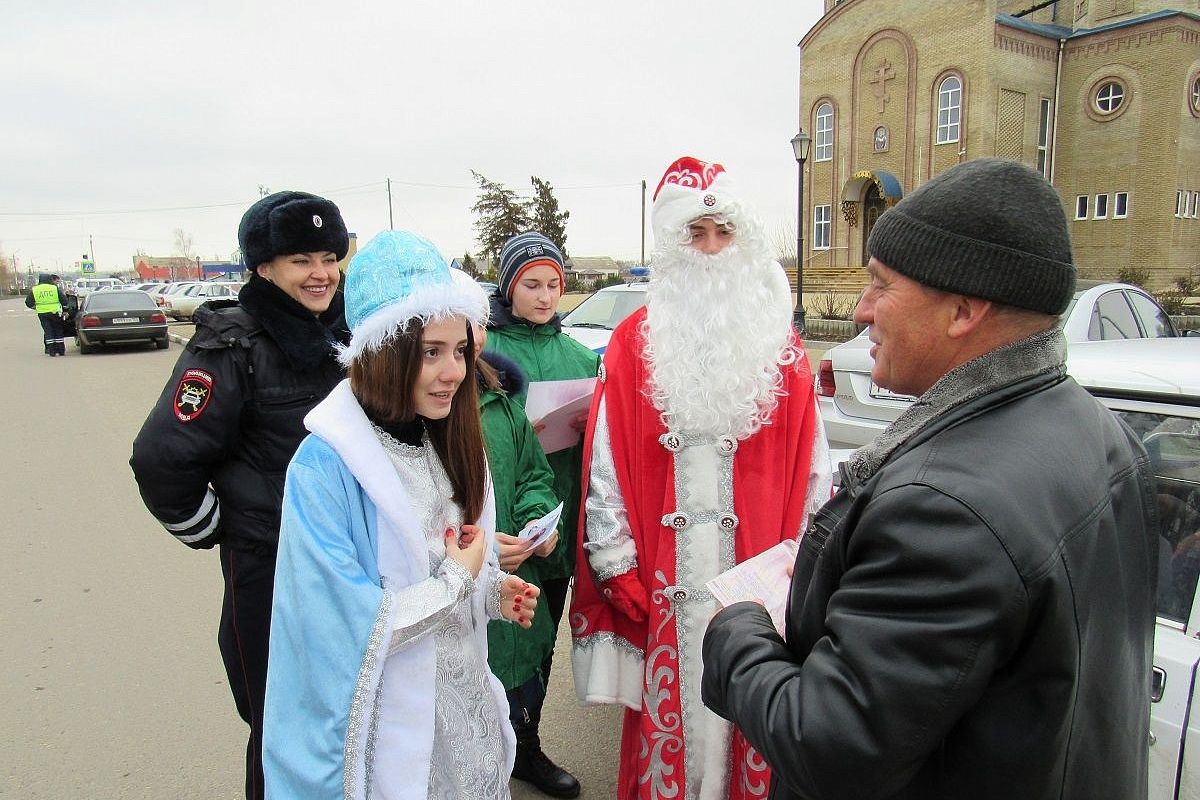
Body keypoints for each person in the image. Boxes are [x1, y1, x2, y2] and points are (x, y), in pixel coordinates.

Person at [701, 158, 1159, 799]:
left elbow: (828, 744)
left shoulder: (942, 511)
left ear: (963, 312)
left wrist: (739, 629)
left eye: (882, 286)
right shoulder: (1099, 431)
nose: (861, 311)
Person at [570, 156, 832, 800]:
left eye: (724, 233)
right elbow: (604, 463)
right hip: (666, 589)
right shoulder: (633, 344)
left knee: (754, 734)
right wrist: (614, 560)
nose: (712, 250)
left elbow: (816, 476)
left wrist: (805, 571)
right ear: (674, 245)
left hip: (760, 586)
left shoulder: (784, 349)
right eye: (696, 234)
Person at [262, 230, 538, 799]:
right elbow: (347, 629)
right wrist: (460, 580)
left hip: (460, 716)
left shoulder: (447, 437)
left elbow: (447, 557)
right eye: (430, 352)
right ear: (384, 351)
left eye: (460, 350)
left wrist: (490, 592)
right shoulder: (325, 468)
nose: (454, 372)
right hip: (387, 735)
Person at [129, 191, 351, 800]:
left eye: (330, 256)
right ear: (262, 266)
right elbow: (160, 457)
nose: (322, 274)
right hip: (271, 573)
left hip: (349, 570)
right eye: (302, 259)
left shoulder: (347, 335)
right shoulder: (233, 343)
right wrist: (217, 527)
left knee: (348, 724)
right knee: (279, 731)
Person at [484, 231, 599, 797]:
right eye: (532, 284)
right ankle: (485, 748)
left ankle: (525, 746)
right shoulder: (483, 355)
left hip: (554, 526)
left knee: (538, 644)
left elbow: (604, 445)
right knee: (487, 646)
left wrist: (588, 427)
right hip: (496, 530)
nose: (545, 295)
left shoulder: (581, 357)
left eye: (554, 284)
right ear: (508, 286)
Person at [25, 273, 67, 356]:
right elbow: (64, 300)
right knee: (58, 330)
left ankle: (51, 351)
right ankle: (61, 350)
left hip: (42, 314)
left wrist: (35, 307)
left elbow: (28, 302)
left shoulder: (35, 289)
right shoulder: (54, 288)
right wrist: (65, 310)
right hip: (55, 312)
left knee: (48, 331)